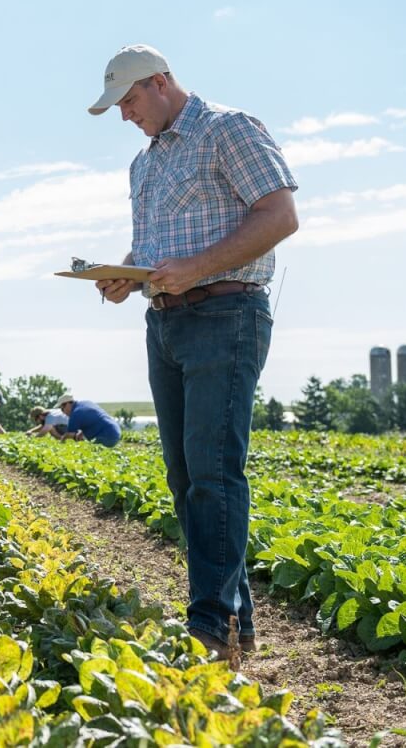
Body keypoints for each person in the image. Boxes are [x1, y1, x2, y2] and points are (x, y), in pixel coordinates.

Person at [88, 44, 299, 660]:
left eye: (129, 100)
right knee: (185, 479)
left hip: (225, 314)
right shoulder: (143, 164)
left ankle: (210, 625)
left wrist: (199, 267)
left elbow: (281, 215)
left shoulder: (228, 129)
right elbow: (153, 246)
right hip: (166, 324)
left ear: (161, 82)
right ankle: (237, 623)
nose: (126, 115)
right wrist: (125, 273)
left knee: (213, 472)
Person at [52, 393, 121, 448]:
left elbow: (69, 434)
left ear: (67, 404)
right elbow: (93, 420)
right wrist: (81, 433)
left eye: (62, 409)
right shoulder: (85, 403)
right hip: (115, 432)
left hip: (106, 436)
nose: (63, 412)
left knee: (89, 454)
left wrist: (61, 442)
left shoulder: (75, 413)